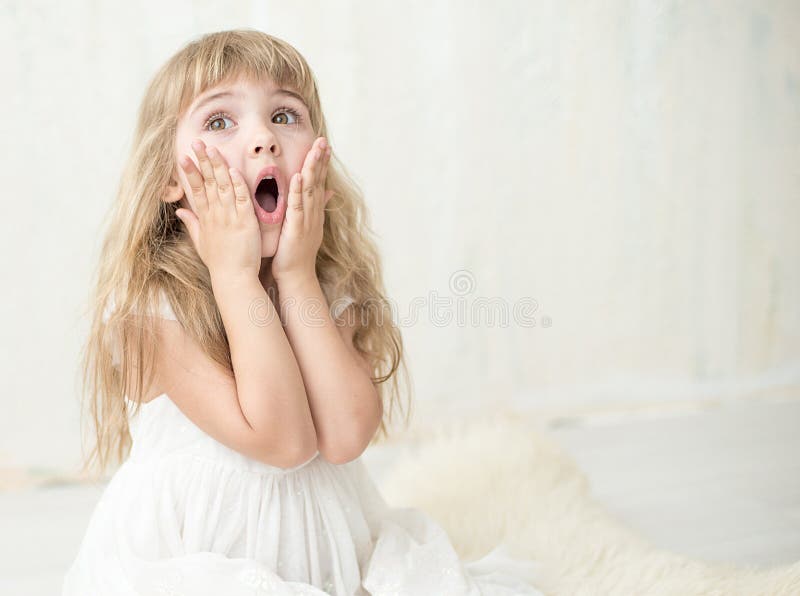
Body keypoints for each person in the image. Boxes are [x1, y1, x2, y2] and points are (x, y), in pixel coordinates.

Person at [63, 28, 544, 595]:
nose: (264, 138)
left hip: (323, 558)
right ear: (169, 178)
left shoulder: (324, 282)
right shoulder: (152, 308)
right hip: (196, 561)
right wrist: (235, 275)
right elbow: (285, 442)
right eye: (220, 121)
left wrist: (294, 276)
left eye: (286, 116)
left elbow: (343, 437)